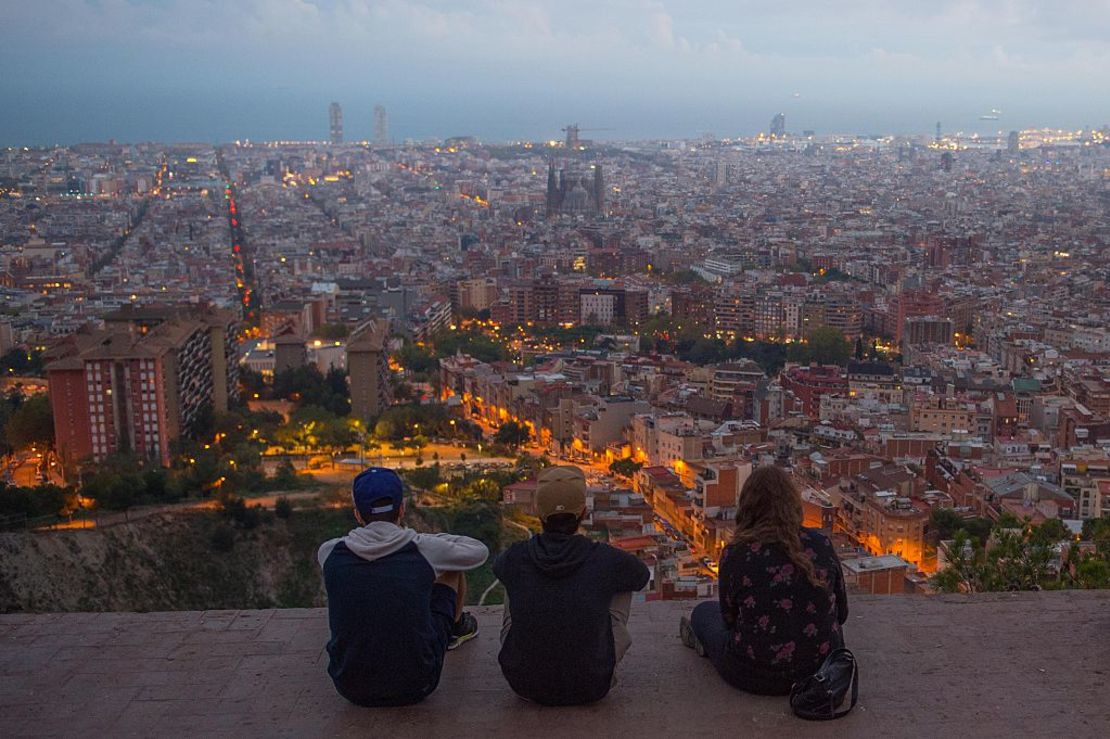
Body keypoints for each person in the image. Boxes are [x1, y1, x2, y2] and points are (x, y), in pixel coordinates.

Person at [318, 466, 488, 707]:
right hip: (417, 683)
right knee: (451, 567)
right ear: (401, 509)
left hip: (350, 685)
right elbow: (478, 551)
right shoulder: (422, 549)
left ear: (358, 514)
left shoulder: (329, 552)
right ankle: (456, 630)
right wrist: (432, 540)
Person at [680, 464, 848, 695]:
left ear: (748, 507)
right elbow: (842, 613)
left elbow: (729, 620)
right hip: (821, 670)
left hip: (753, 675)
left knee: (702, 613)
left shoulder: (737, 553)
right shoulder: (820, 544)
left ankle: (705, 646)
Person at [493, 465, 651, 705]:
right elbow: (640, 576)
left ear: (538, 512)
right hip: (591, 686)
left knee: (513, 579)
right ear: (583, 513)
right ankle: (595, 654)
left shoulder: (515, 557)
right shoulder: (604, 558)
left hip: (525, 685)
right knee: (622, 576)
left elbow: (498, 568)